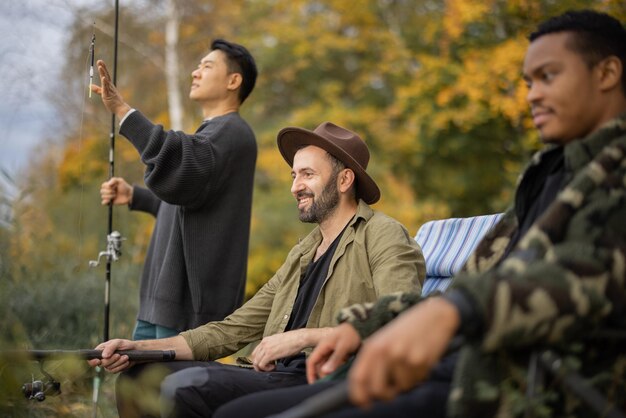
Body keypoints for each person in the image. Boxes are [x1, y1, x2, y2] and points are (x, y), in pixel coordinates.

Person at [213, 9, 626, 418]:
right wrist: (358, 326)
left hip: (532, 388)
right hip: (456, 370)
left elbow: (584, 275)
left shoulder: (612, 174)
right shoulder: (547, 175)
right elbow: (469, 284)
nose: (532, 94)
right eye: (528, 82)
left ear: (607, 73)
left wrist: (453, 310)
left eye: (548, 76)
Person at [88, 121, 426, 418]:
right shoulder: (303, 252)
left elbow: (401, 321)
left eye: (308, 174)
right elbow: (235, 328)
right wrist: (139, 349)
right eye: (294, 175)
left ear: (344, 180)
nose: (295, 186)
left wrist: (303, 338)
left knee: (185, 388)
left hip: (326, 380)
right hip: (271, 375)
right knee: (138, 377)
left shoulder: (382, 233)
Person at [92, 39, 258, 339]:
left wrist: (124, 111)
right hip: (162, 302)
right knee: (135, 385)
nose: (196, 72)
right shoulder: (214, 134)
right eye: (197, 66)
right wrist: (136, 196)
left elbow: (181, 161)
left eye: (207, 66)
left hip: (187, 310)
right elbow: (185, 201)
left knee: (168, 386)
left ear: (234, 81)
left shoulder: (233, 132)